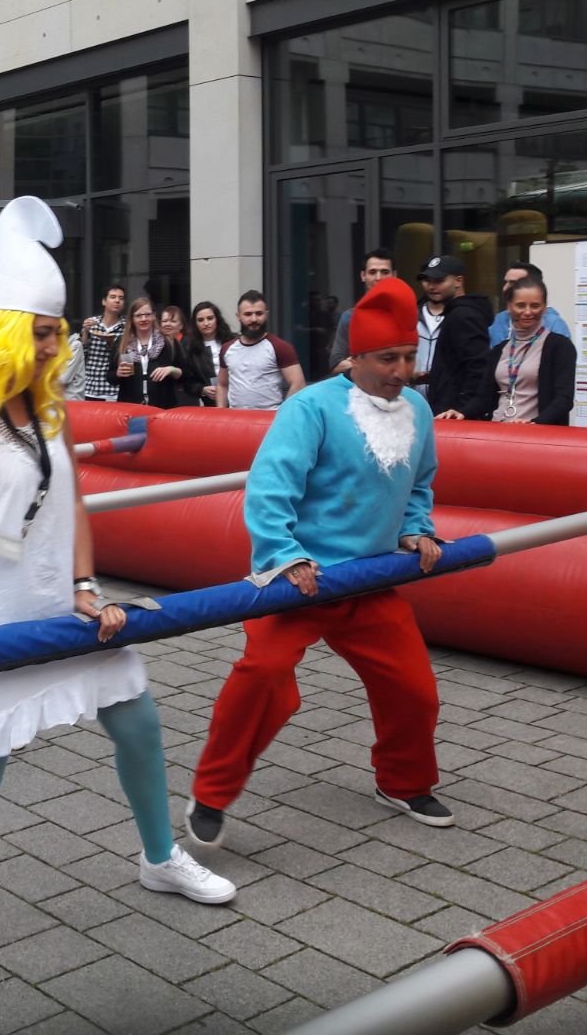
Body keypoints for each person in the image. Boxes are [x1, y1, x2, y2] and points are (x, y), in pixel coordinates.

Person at [0, 197, 234, 986]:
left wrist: (84, 584)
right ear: (0, 331)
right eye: (40, 332)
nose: (54, 345)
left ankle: (159, 857)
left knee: (137, 720)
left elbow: (71, 506)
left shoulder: (48, 410)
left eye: (56, 331)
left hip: (62, 609)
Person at [185, 278, 453, 852]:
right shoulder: (309, 408)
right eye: (388, 358)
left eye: (409, 357)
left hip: (371, 580)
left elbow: (420, 484)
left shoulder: (419, 410)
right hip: (302, 580)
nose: (402, 371)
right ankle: (211, 794)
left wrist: (416, 529)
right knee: (263, 678)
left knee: (414, 689)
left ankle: (403, 782)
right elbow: (270, 489)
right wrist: (285, 556)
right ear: (356, 358)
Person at [449, 278, 576, 425]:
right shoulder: (499, 349)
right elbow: (483, 398)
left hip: (536, 433)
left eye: (535, 306)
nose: (527, 312)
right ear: (509, 307)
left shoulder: (560, 346)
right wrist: (461, 413)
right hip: (498, 429)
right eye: (520, 305)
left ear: (544, 307)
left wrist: (535, 423)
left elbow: (564, 399)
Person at [414, 255, 492, 417]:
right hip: (446, 409)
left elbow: (478, 366)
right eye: (427, 280)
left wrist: (464, 409)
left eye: (439, 280)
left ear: (458, 281)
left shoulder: (463, 314)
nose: (432, 286)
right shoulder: (456, 312)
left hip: (454, 413)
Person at [216, 291, 305, 410]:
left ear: (266, 315)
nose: (254, 319)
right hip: (235, 418)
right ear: (238, 316)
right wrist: (221, 413)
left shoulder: (280, 347)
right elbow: (222, 385)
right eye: (248, 314)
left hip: (269, 418)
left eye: (259, 313)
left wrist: (281, 414)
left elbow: (298, 384)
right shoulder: (227, 348)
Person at [327, 248, 397, 374]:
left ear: (394, 275)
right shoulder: (350, 317)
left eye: (385, 272)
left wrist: (357, 362)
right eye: (372, 272)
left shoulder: (406, 314)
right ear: (363, 276)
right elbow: (336, 364)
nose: (378, 278)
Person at [113, 297, 189, 409]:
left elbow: (186, 375)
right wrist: (117, 373)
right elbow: (110, 378)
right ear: (132, 319)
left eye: (147, 314)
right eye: (138, 315)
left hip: (163, 408)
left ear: (154, 316)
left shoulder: (169, 342)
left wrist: (171, 369)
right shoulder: (122, 342)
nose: (143, 319)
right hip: (130, 408)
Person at [487, 262, 571, 345]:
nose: (505, 288)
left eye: (514, 283)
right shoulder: (500, 319)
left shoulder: (554, 324)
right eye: (506, 282)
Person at [78, 284, 127, 401]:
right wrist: (85, 332)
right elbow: (82, 354)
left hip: (114, 390)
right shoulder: (92, 323)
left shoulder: (127, 326)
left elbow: (129, 357)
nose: (117, 301)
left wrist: (114, 344)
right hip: (90, 387)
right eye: (113, 297)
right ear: (104, 301)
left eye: (121, 298)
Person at [190, 302, 233, 406]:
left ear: (217, 319)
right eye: (200, 320)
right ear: (195, 323)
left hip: (237, 400)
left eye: (210, 318)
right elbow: (187, 380)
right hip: (211, 403)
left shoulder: (233, 341)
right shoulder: (190, 348)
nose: (206, 323)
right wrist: (202, 389)